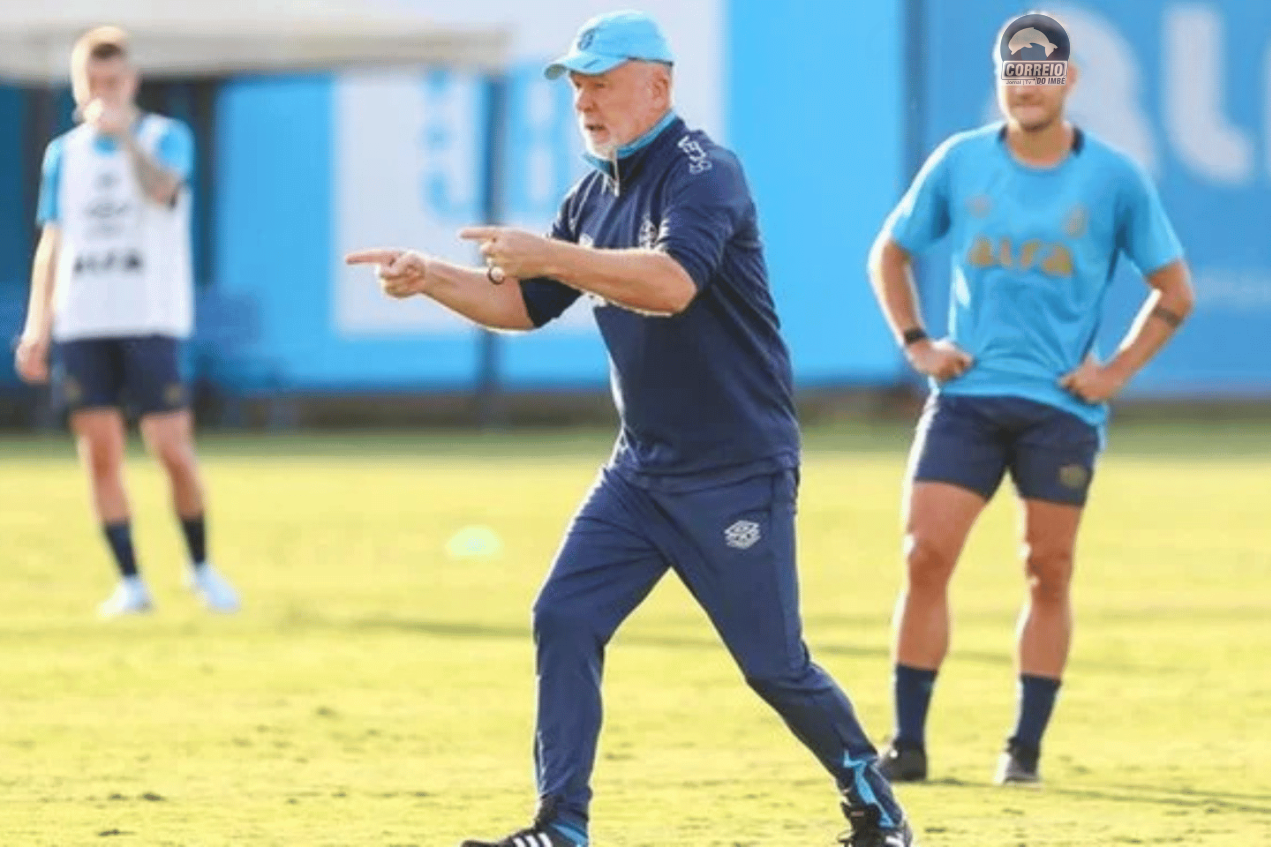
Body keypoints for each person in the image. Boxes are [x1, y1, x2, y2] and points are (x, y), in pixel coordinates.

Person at [346, 10, 914, 847]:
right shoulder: (593, 190)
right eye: (576, 83)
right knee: (564, 616)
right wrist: (431, 277)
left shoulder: (704, 170)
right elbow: (524, 303)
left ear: (660, 84)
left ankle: (875, 801)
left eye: (602, 81)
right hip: (641, 473)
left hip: (734, 468)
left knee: (772, 665)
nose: (584, 99)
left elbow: (672, 283)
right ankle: (561, 825)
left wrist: (551, 255)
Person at [867, 14, 1194, 786]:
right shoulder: (961, 161)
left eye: (1043, 73)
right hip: (968, 396)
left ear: (1070, 81)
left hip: (1059, 409)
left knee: (1047, 570)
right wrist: (917, 342)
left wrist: (1113, 372)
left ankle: (1025, 749)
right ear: (1000, 79)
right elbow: (891, 250)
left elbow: (1173, 291)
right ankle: (907, 743)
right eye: (1015, 72)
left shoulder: (1114, 178)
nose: (1028, 86)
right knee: (925, 555)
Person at [13, 26, 239, 617]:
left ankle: (200, 567)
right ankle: (132, 582)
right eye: (93, 82)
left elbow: (163, 192)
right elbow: (52, 242)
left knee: (169, 446)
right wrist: (39, 326)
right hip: (84, 320)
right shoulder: (64, 153)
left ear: (132, 81)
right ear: (77, 84)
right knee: (101, 452)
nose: (104, 92)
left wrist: (128, 140)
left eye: (114, 81)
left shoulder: (165, 137)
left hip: (151, 317)